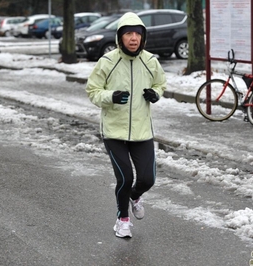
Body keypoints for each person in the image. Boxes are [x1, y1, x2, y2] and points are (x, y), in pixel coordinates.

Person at [85, 12, 167, 238]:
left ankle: (134, 196)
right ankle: (122, 220)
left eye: (137, 34)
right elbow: (93, 91)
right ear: (120, 37)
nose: (133, 38)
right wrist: (111, 96)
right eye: (128, 33)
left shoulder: (151, 61)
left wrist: (155, 94)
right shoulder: (107, 62)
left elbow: (161, 83)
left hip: (142, 131)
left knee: (147, 179)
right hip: (114, 131)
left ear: (143, 37)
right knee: (125, 178)